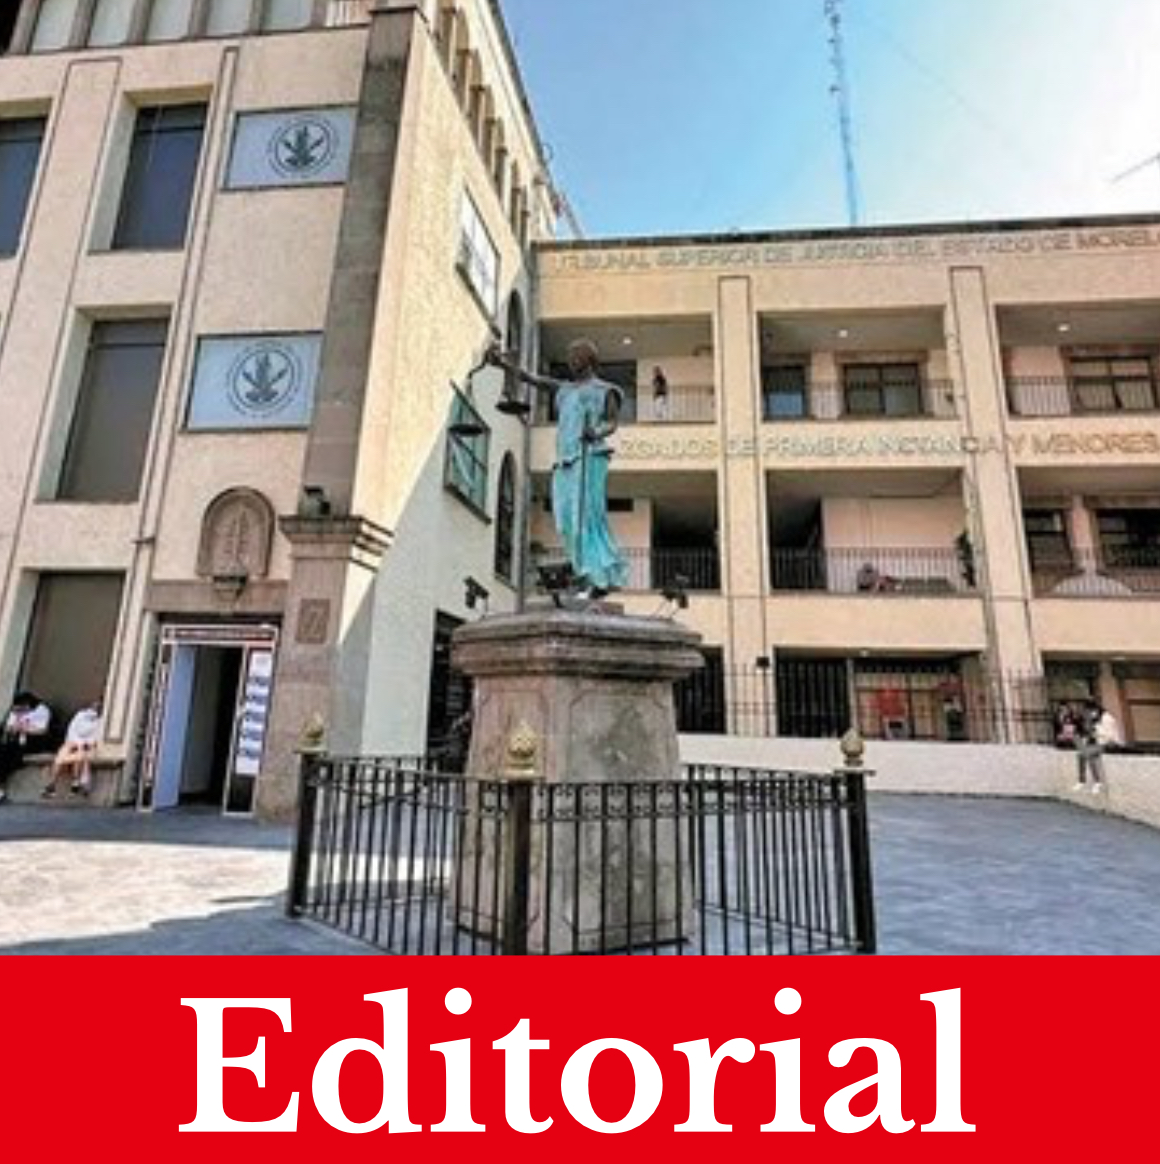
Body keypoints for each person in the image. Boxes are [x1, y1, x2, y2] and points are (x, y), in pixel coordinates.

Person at [488, 338, 628, 596]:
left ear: (590, 360)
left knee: (585, 516)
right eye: (570, 356)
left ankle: (599, 574)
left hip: (589, 456)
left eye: (577, 356)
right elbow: (531, 379)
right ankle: (583, 569)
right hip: (565, 461)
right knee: (564, 520)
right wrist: (503, 365)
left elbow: (611, 423)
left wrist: (596, 431)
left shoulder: (606, 390)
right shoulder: (564, 389)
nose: (571, 361)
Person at [42, 698, 103, 799]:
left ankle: (75, 783)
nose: (95, 708)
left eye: (98, 706)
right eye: (94, 705)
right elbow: (72, 731)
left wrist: (83, 744)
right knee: (62, 755)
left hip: (87, 745)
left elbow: (96, 737)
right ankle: (52, 784)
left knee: (80, 756)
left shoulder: (100, 721)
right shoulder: (80, 715)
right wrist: (77, 743)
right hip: (73, 742)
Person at [0, 692, 53, 803]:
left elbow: (42, 730)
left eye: (22, 709)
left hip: (34, 741)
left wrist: (25, 729)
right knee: (4, 753)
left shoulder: (42, 710)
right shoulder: (15, 711)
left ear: (28, 705)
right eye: (17, 710)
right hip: (15, 741)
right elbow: (8, 727)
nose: (19, 712)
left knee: (7, 755)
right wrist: (14, 727)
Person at [1074, 700, 1122, 794]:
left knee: (1087, 754)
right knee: (1081, 755)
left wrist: (1096, 732)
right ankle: (1082, 781)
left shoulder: (1107, 718)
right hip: (1099, 743)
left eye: (1087, 712)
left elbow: (1110, 736)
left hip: (1110, 743)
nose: (1087, 715)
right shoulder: (1096, 720)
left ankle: (1097, 782)